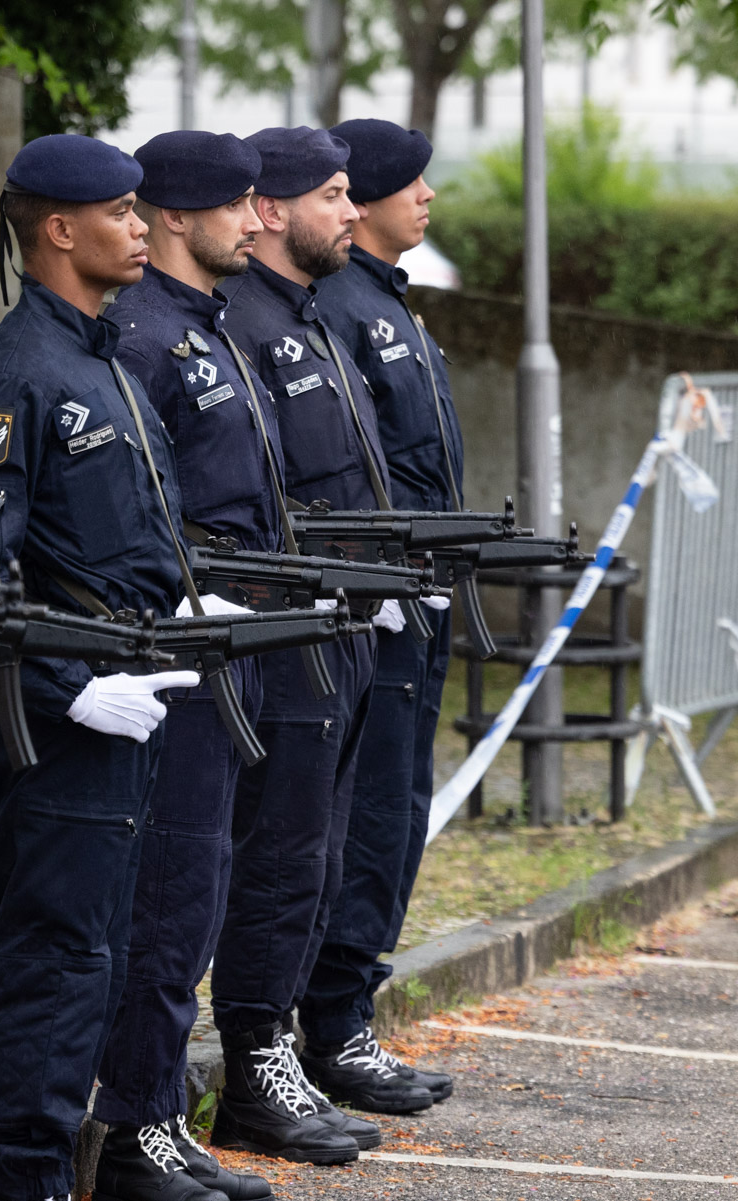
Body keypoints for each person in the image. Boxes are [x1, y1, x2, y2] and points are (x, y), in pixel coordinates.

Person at [0, 133, 202, 1201]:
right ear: (61, 229)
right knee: (55, 957)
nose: (143, 228)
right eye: (122, 212)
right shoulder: (17, 372)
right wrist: (68, 689)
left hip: (131, 703)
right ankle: (27, 1177)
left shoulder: (102, 360)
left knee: (102, 951)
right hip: (64, 721)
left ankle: (71, 1161)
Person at [205, 125, 415, 1164]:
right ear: (276, 209)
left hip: (342, 625)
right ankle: (255, 1064)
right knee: (281, 859)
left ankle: (286, 1043)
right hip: (284, 629)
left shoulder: (310, 317)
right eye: (332, 194)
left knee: (322, 854)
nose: (352, 208)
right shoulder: (240, 322)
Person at [93, 129, 289, 1201]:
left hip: (238, 638)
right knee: (167, 892)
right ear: (177, 215)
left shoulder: (208, 329)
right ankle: (136, 1125)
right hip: (179, 644)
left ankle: (160, 1109)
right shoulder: (143, 337)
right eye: (238, 204)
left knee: (205, 885)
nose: (257, 219)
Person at [299, 117, 459, 1111]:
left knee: (397, 811)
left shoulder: (388, 303)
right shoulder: (343, 309)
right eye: (413, 182)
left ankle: (349, 1008)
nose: (426, 196)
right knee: (361, 816)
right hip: (377, 598)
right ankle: (331, 1023)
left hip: (420, 594)